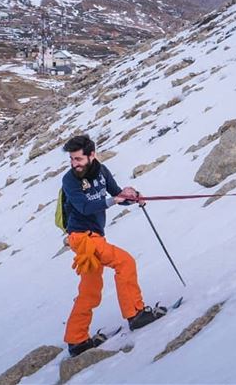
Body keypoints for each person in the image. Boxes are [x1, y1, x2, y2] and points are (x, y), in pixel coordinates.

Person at [61, 134, 166, 357]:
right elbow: (84, 207)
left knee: (90, 290)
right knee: (124, 262)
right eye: (72, 159)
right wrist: (114, 200)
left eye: (78, 159)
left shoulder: (101, 170)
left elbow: (115, 193)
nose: (74, 164)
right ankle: (136, 314)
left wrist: (131, 197)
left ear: (92, 155)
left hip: (95, 238)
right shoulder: (69, 180)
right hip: (81, 238)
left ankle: (76, 340)